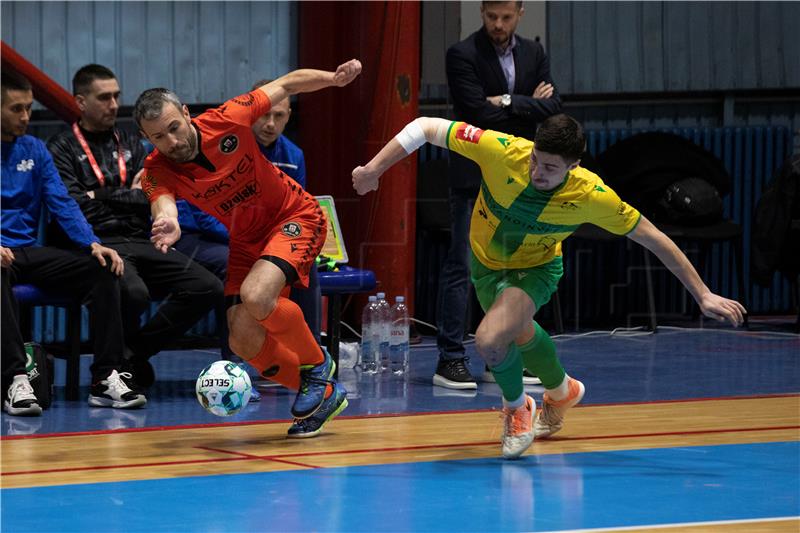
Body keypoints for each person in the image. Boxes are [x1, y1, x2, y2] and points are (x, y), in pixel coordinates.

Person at [351, 114, 746, 459]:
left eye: (551, 168)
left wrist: (703, 293)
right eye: (536, 160)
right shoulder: (503, 150)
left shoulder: (591, 195)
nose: (537, 172)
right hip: (487, 266)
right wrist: (373, 169)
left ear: (574, 166)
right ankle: (562, 390)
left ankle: (518, 407)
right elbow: (425, 127)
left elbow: (653, 236)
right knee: (517, 332)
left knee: (490, 341)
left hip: (536, 270)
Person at [133, 59, 362, 438]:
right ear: (147, 137)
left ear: (187, 114)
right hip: (246, 240)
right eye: (158, 136)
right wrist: (169, 221)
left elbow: (287, 83)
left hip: (296, 215)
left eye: (174, 128)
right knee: (241, 335)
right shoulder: (158, 169)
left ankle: (319, 367)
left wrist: (333, 79)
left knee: (256, 295)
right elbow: (163, 203)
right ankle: (324, 395)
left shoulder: (230, 117)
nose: (171, 142)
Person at [47, 64, 224, 389]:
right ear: (81, 102)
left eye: (116, 96)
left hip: (140, 237)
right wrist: (126, 192)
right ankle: (113, 367)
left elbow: (151, 195)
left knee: (208, 286)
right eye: (104, 97)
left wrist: (100, 193)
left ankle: (133, 354)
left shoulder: (133, 140)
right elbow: (72, 205)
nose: (114, 104)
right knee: (134, 292)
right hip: (96, 242)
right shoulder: (60, 147)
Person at [434, 0, 563, 390]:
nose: (498, 24)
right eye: (492, 17)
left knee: (507, 267)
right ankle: (450, 358)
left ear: (520, 13)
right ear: (482, 14)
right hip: (474, 176)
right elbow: (475, 112)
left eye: (506, 17)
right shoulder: (462, 55)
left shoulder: (535, 52)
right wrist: (527, 104)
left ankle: (500, 353)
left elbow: (553, 108)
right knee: (463, 264)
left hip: (517, 182)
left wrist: (506, 101)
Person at [1, 70, 145, 413]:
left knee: (102, 268)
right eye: (16, 109)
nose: (25, 117)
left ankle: (105, 376)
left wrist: (92, 243)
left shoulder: (34, 148)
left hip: (29, 252)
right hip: (1, 258)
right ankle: (14, 380)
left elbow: (61, 200)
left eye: (28, 108)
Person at [250, 78, 320, 342]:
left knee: (305, 258)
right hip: (233, 235)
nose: (270, 124)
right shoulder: (231, 147)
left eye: (278, 116)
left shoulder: (294, 156)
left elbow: (297, 210)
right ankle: (238, 354)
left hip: (272, 239)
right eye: (264, 114)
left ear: (288, 116)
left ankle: (312, 350)